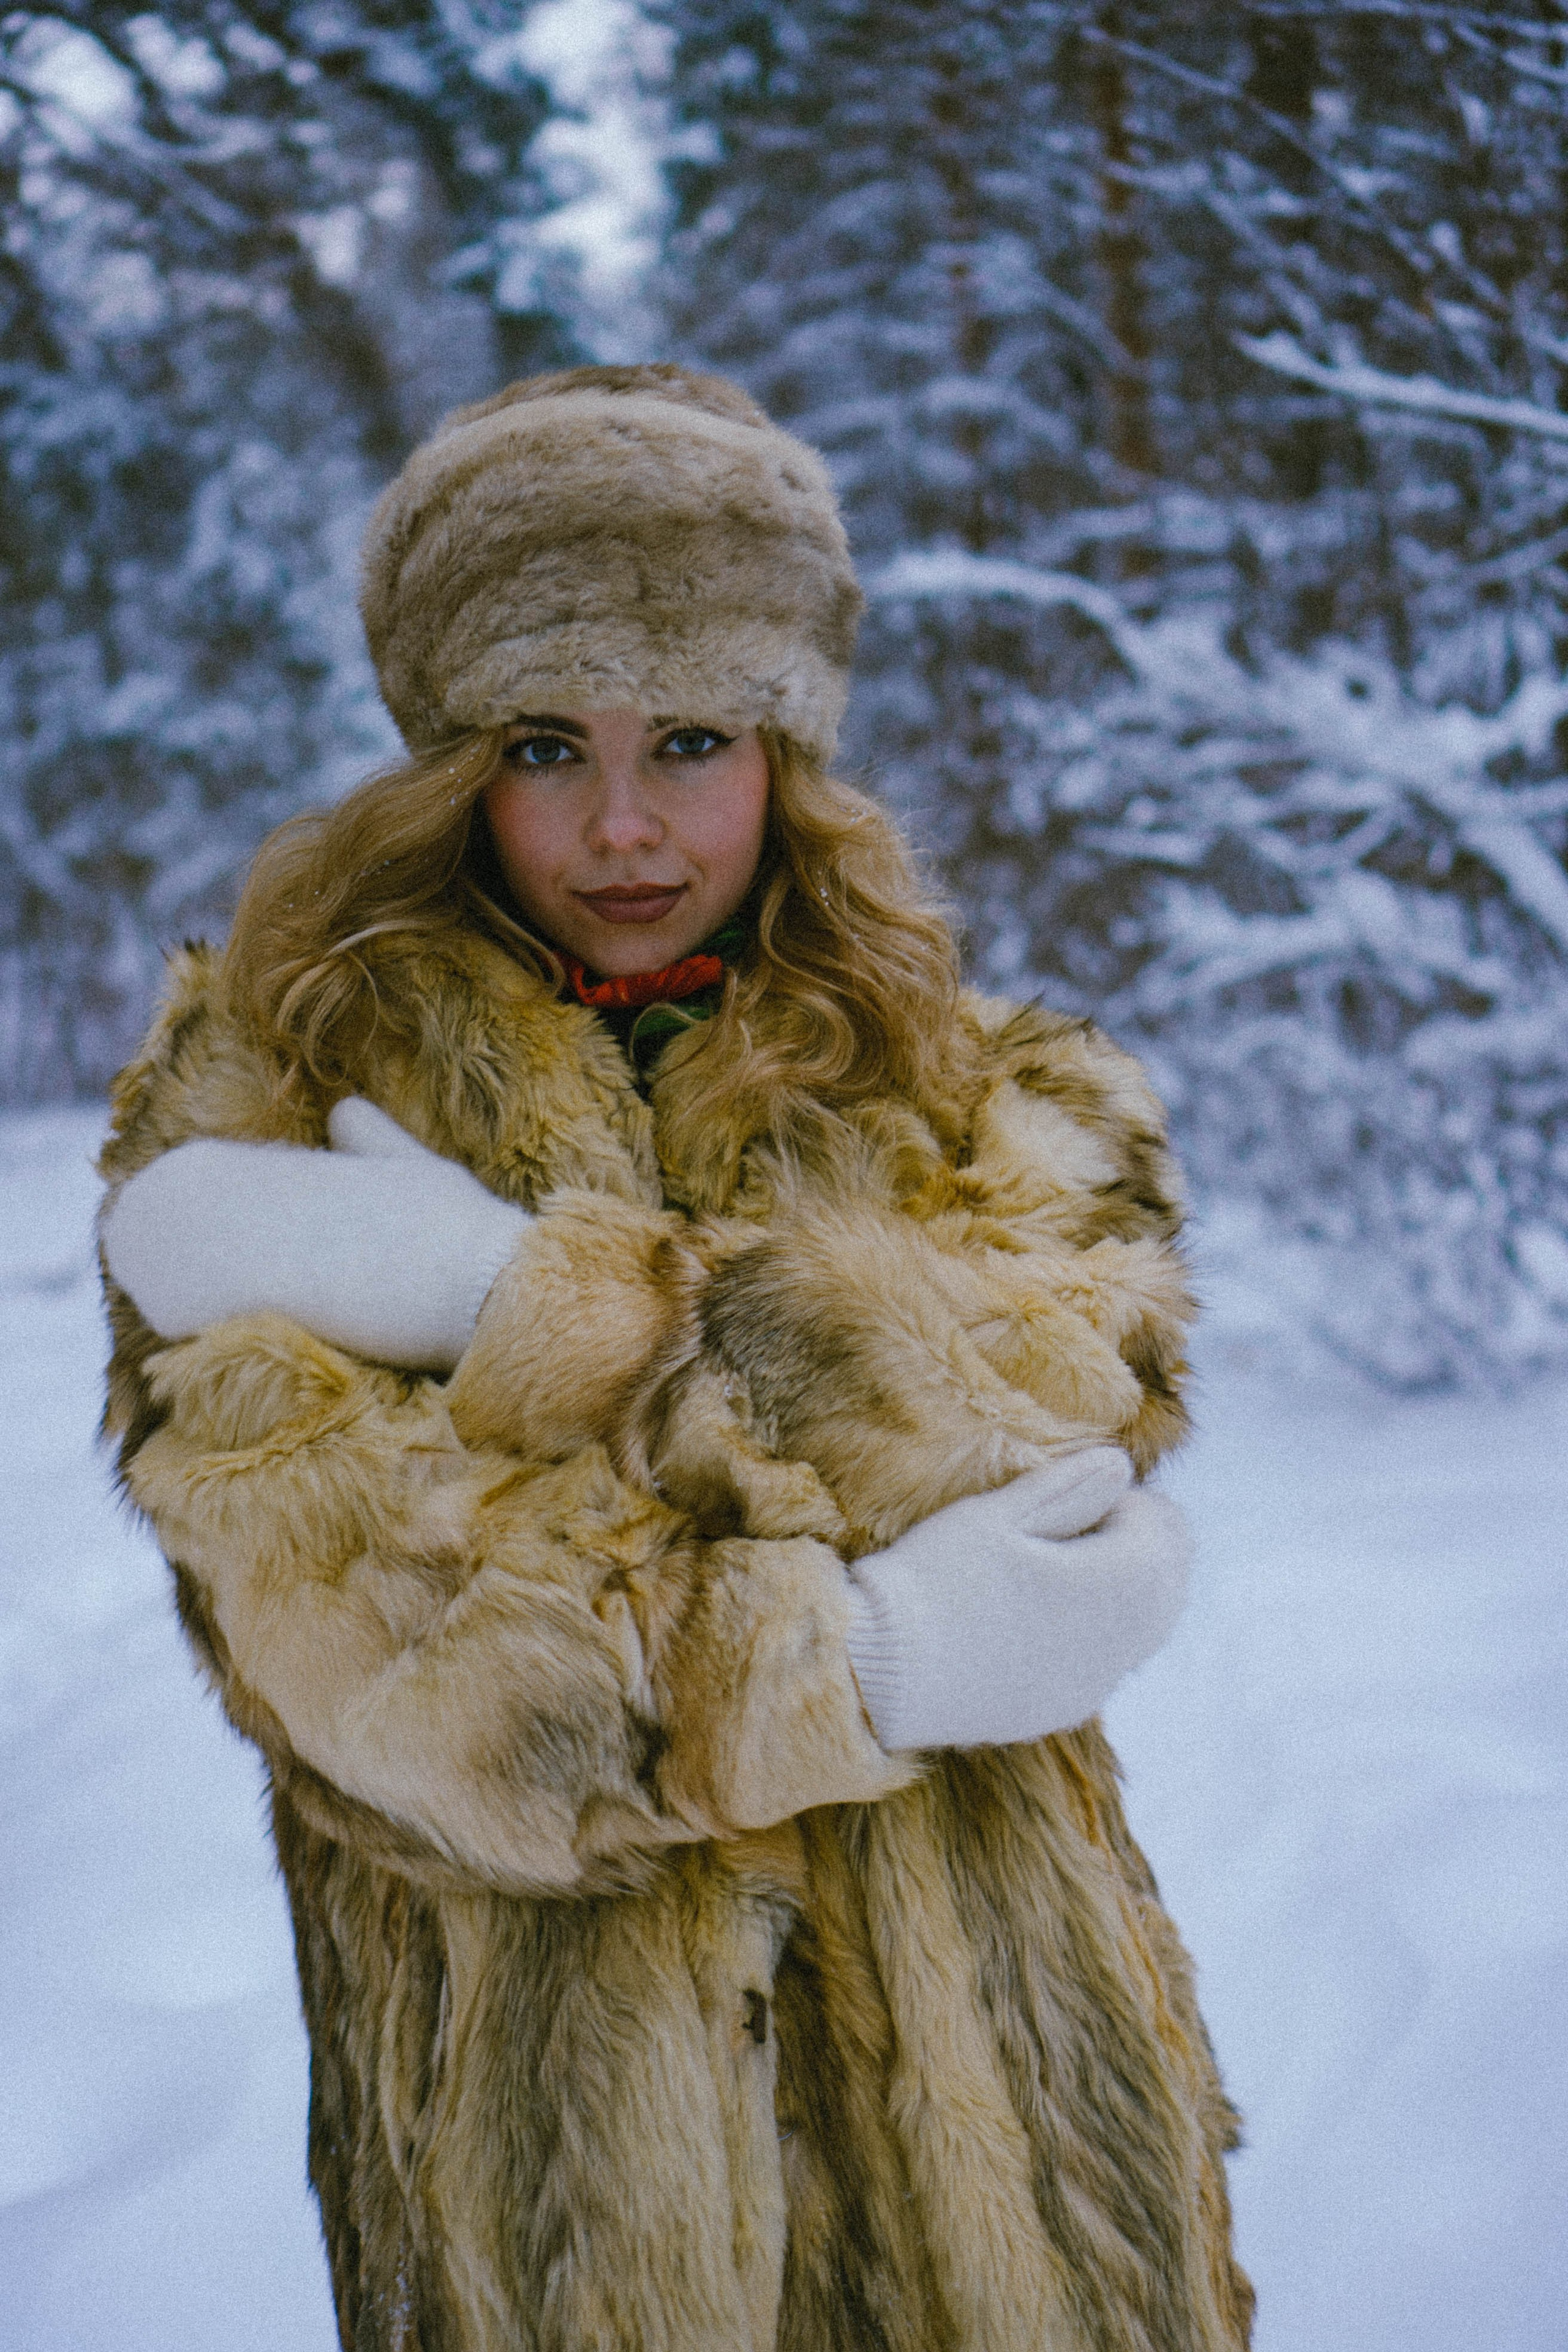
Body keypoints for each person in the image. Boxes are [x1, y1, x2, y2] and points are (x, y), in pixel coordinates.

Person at [98, 364, 1253, 2351]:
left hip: (1037, 2191)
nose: (621, 825)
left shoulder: (997, 1096)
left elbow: (1032, 1446)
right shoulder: (266, 1114)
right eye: (546, 743)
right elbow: (434, 1694)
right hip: (572, 2226)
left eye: (694, 738)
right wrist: (886, 1653)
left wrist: (502, 1307)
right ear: (447, 760)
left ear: (787, 751)